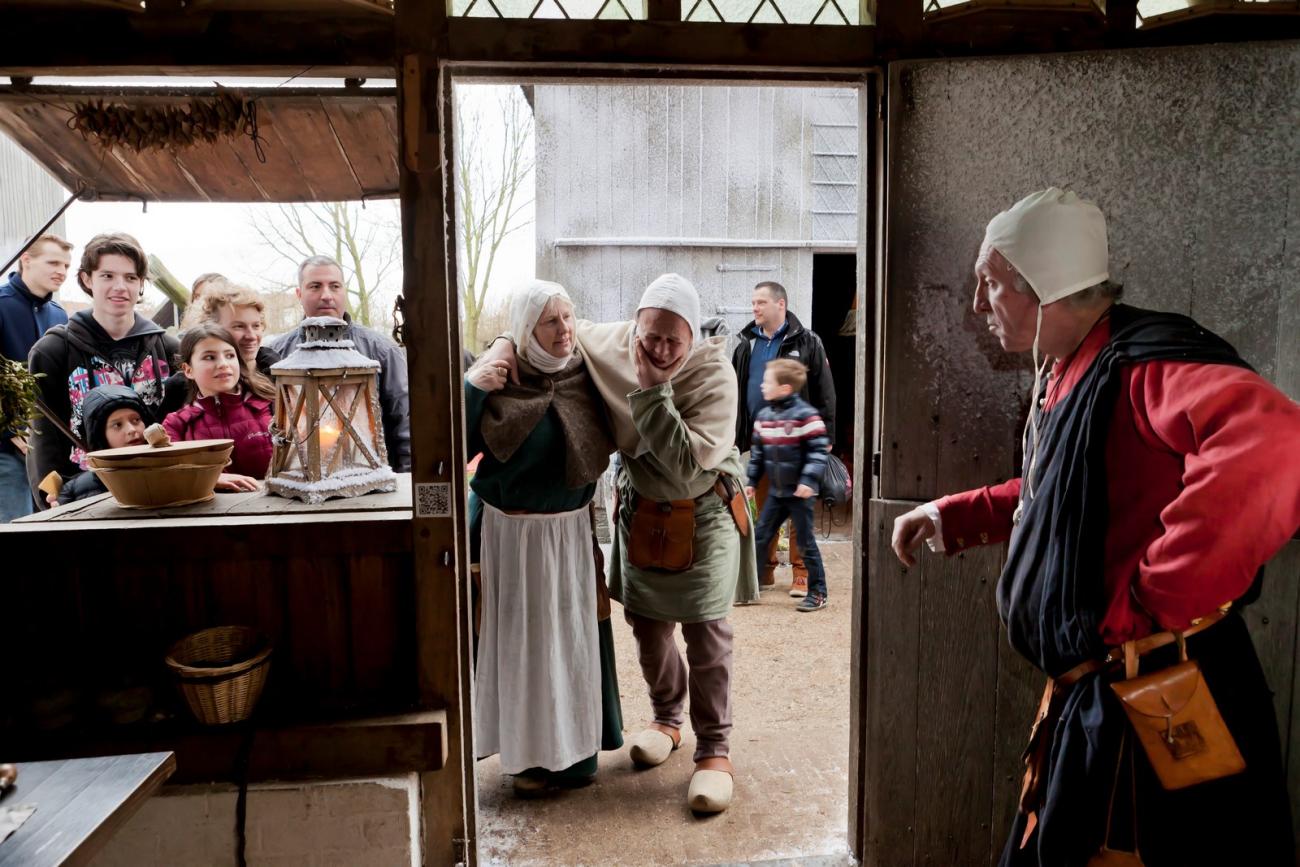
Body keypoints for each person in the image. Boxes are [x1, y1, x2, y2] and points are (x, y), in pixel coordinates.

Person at [890, 188, 1300, 866]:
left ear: (1045, 286)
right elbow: (1069, 493)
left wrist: (1159, 595)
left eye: (991, 284)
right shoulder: (1070, 367)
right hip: (1099, 697)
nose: (978, 304)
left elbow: (1276, 445)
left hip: (1155, 697)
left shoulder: (1145, 364)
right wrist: (953, 514)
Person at [481, 272, 758, 814]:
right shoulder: (611, 342)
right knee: (648, 626)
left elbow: (684, 466)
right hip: (641, 509)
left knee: (706, 634)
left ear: (692, 336)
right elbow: (549, 326)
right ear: (635, 326)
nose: (660, 349)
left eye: (673, 340)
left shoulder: (714, 377)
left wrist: (652, 389)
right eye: (650, 336)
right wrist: (500, 346)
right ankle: (667, 718)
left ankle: (714, 751)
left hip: (702, 509)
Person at [465, 279, 622, 796]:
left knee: (571, 642)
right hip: (511, 539)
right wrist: (475, 386)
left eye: (567, 316)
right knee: (523, 645)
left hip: (569, 535)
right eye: (549, 321)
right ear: (525, 328)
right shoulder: (500, 375)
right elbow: (451, 440)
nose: (564, 329)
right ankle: (528, 757)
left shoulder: (585, 371)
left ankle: (576, 756)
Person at [26, 232, 179, 509]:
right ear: (87, 279)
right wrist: (52, 498)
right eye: (107, 276)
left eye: (130, 277)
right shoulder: (53, 351)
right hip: (85, 495)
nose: (120, 287)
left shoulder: (170, 349)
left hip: (163, 487)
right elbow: (44, 436)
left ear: (141, 284)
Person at [731, 280, 835, 598]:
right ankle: (764, 571)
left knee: (799, 512)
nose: (754, 308)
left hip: (798, 442)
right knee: (765, 509)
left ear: (781, 304)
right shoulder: (745, 344)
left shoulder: (807, 341)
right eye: (753, 302)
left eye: (761, 302)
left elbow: (825, 390)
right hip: (761, 441)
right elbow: (734, 391)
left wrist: (827, 435)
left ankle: (802, 574)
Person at [269, 256, 410, 472]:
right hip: (299, 476)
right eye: (315, 286)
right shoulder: (277, 355)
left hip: (368, 474)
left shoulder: (381, 351)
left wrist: (404, 477)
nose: (326, 295)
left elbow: (402, 421)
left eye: (334, 286)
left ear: (344, 291)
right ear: (299, 294)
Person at [745, 358, 830, 613]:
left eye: (767, 382)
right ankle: (749, 586)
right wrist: (751, 481)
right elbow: (758, 454)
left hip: (799, 493)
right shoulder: (764, 417)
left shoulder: (807, 417)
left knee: (805, 542)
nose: (762, 386)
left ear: (785, 388)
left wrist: (808, 480)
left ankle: (818, 592)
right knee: (761, 536)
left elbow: (818, 453)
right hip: (776, 492)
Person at [0, 233, 72, 522]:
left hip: (49, 448)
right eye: (53, 263)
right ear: (26, 260)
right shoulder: (1, 305)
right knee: (13, 528)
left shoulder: (60, 316)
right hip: (7, 449)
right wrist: (10, 431)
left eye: (66, 265)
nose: (62, 271)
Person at [163, 322, 274, 492]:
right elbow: (164, 471)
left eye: (230, 355)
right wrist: (211, 477)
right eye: (209, 357)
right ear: (188, 370)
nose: (223, 363)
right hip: (208, 508)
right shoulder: (176, 424)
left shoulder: (273, 406)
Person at [160, 283, 280, 416]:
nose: (251, 336)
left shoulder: (276, 374)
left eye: (256, 326)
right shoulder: (182, 387)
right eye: (239, 326)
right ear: (212, 328)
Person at [54, 384, 151, 506]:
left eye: (136, 420)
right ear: (100, 436)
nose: (131, 429)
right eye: (117, 425)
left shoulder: (169, 470)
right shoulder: (74, 491)